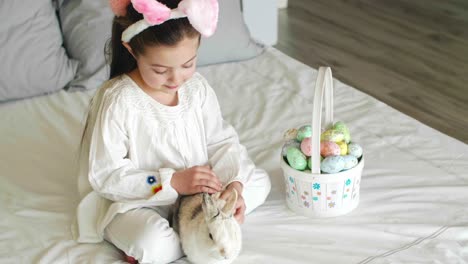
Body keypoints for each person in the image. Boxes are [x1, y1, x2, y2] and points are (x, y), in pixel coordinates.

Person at [74, 0, 271, 263]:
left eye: (188, 65)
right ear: (131, 50)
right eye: (160, 70)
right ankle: (201, 235)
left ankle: (200, 229)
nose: (176, 79)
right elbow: (107, 176)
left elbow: (221, 141)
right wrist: (172, 183)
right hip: (141, 199)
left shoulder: (197, 89)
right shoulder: (120, 101)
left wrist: (234, 185)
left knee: (258, 182)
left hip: (196, 197)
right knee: (154, 243)